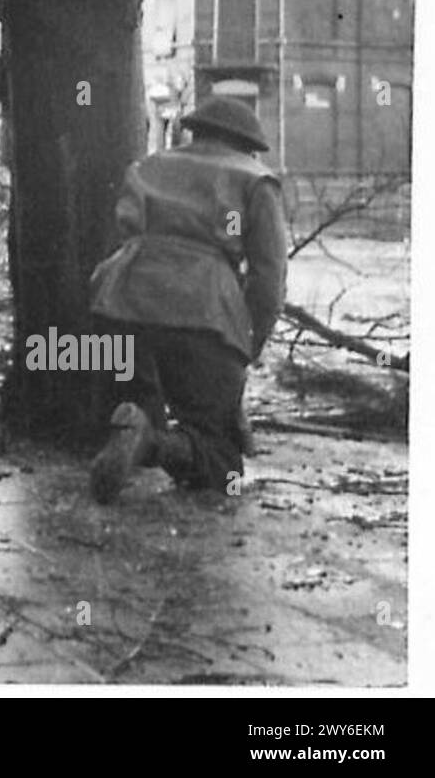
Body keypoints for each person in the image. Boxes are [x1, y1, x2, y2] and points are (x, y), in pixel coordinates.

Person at [86, 96, 287, 504]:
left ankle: (136, 430)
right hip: (202, 310)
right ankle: (152, 444)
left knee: (136, 400)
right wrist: (247, 346)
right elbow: (269, 279)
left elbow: (119, 240)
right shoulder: (255, 180)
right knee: (220, 459)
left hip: (121, 301)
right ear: (249, 145)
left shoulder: (149, 166)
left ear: (193, 132)